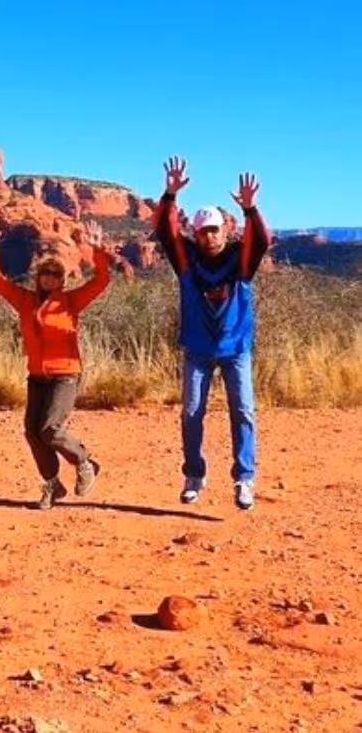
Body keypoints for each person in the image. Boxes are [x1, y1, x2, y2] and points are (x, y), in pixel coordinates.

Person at [155, 156, 269, 510]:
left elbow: (262, 240)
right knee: (191, 413)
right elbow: (164, 232)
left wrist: (250, 209)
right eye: (203, 231)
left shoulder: (240, 259)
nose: (209, 236)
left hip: (236, 348)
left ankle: (244, 479)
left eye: (214, 229)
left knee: (243, 411)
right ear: (196, 233)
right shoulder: (187, 260)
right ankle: (194, 474)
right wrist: (170, 195)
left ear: (225, 230)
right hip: (198, 349)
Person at [0, 217, 111, 509]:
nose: (50, 278)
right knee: (33, 432)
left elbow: (101, 281)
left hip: (65, 374)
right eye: (45, 273)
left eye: (56, 274)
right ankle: (52, 485)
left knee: (50, 429)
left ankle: (85, 461)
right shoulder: (24, 300)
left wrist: (97, 251)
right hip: (37, 375)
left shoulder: (71, 301)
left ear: (62, 280)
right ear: (38, 277)